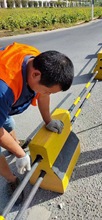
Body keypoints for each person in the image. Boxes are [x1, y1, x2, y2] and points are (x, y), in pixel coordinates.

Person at [0, 42, 74, 204]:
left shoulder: (35, 59)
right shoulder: (3, 89)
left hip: (4, 102)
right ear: (35, 75)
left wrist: (48, 121)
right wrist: (20, 154)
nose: (47, 94)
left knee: (8, 123)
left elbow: (43, 94)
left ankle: (14, 145)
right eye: (47, 90)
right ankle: (12, 179)